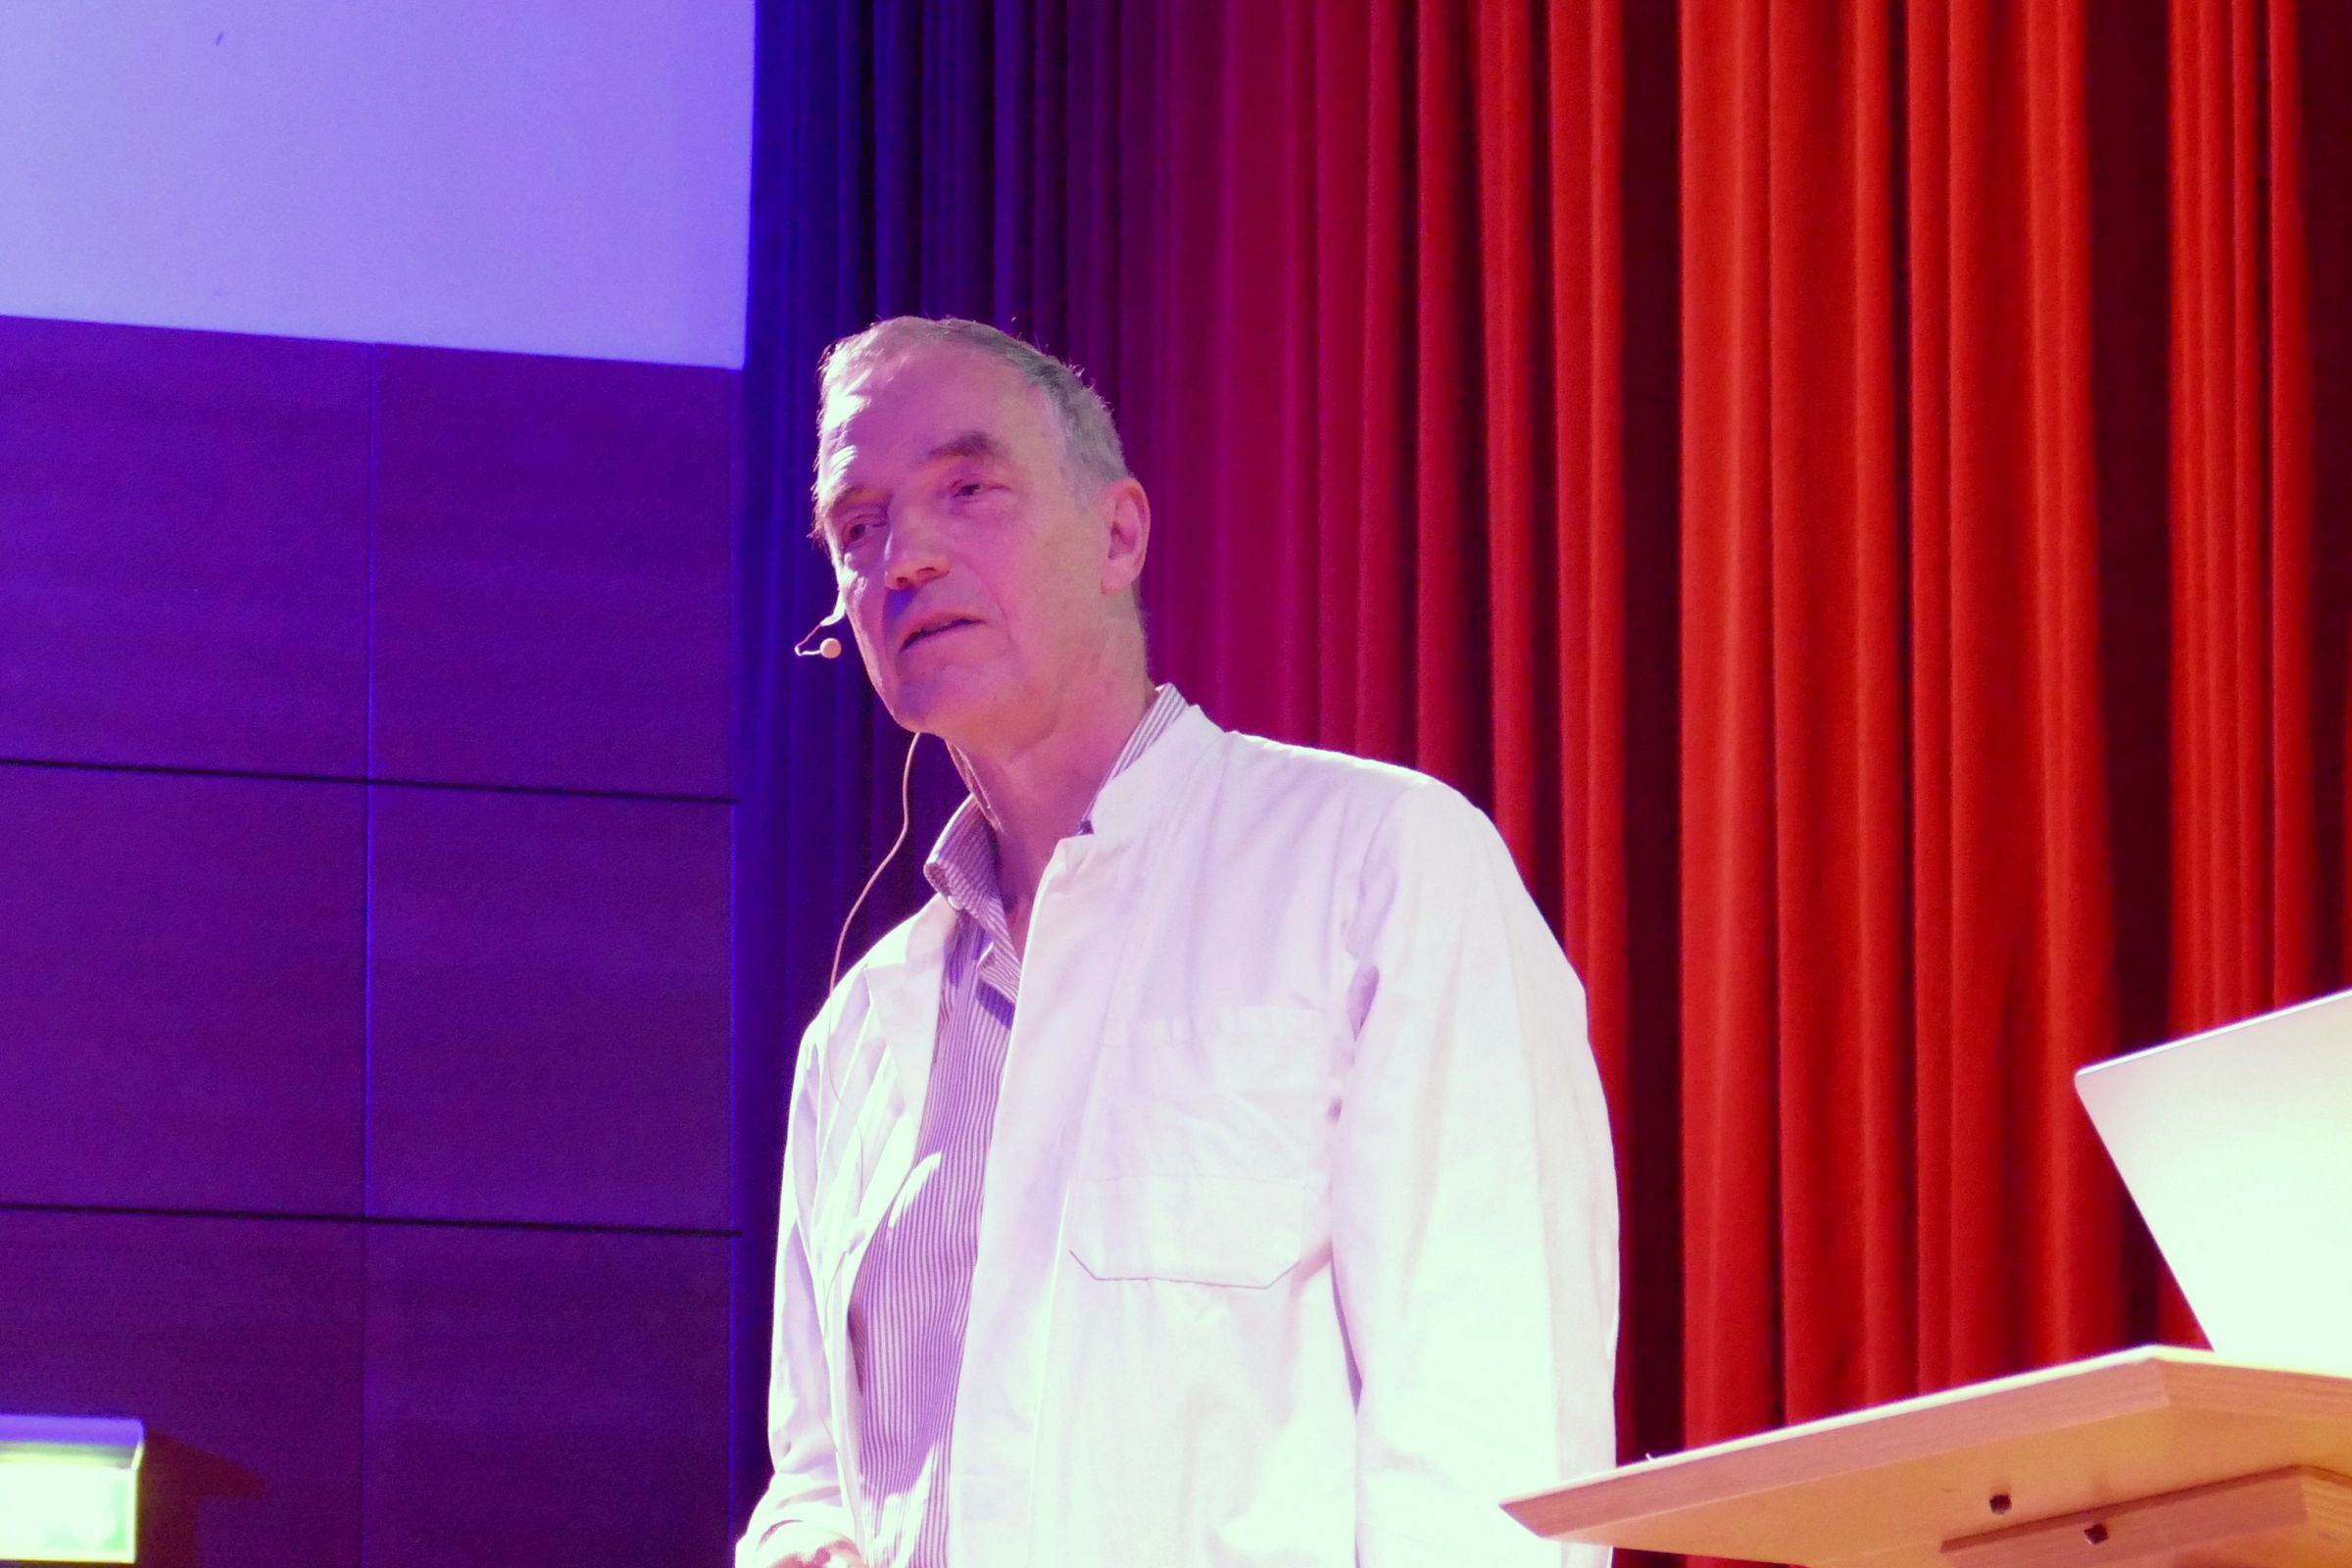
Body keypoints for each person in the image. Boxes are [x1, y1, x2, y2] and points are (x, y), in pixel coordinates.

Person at [739, 316, 1618, 1568]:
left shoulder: (1378, 866)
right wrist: (807, 1541)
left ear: (1119, 535)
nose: (905, 557)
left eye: (968, 488)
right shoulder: (859, 1034)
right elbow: (820, 1473)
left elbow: (1496, 1444)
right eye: (857, 525)